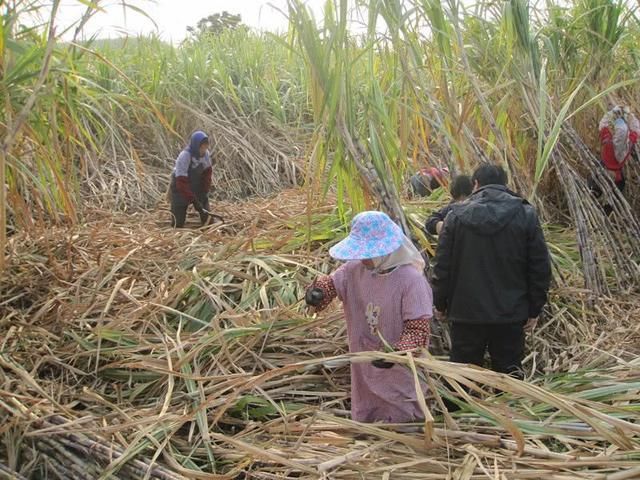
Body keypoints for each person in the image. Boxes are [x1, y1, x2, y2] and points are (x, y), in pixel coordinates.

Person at [305, 211, 432, 423]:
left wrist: (396, 353)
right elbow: (332, 284)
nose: (363, 258)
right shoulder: (355, 270)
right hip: (364, 358)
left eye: (369, 253)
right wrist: (318, 293)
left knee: (400, 409)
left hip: (397, 368)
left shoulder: (411, 281)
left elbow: (418, 329)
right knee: (368, 407)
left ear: (386, 252)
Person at [432, 164, 551, 379]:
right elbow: (539, 266)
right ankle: (509, 412)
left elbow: (442, 266)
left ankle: (460, 412)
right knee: (509, 376)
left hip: (466, 313)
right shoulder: (525, 214)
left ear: (475, 184)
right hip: (510, 313)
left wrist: (440, 303)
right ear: (506, 184)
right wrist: (534, 308)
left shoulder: (455, 216)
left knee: (463, 377)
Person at [169, 131, 213, 228]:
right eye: (202, 148)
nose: (204, 150)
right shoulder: (184, 156)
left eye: (206, 147)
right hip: (180, 188)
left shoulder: (206, 155)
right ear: (196, 146)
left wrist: (204, 192)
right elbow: (181, 182)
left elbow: (207, 174)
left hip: (196, 185)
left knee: (208, 218)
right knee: (178, 223)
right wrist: (193, 200)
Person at [597, 105, 639, 195]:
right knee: (615, 194)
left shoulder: (607, 141)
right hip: (615, 178)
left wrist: (612, 112)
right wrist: (630, 115)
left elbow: (603, 125)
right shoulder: (627, 148)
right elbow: (636, 130)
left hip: (603, 172)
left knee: (595, 191)